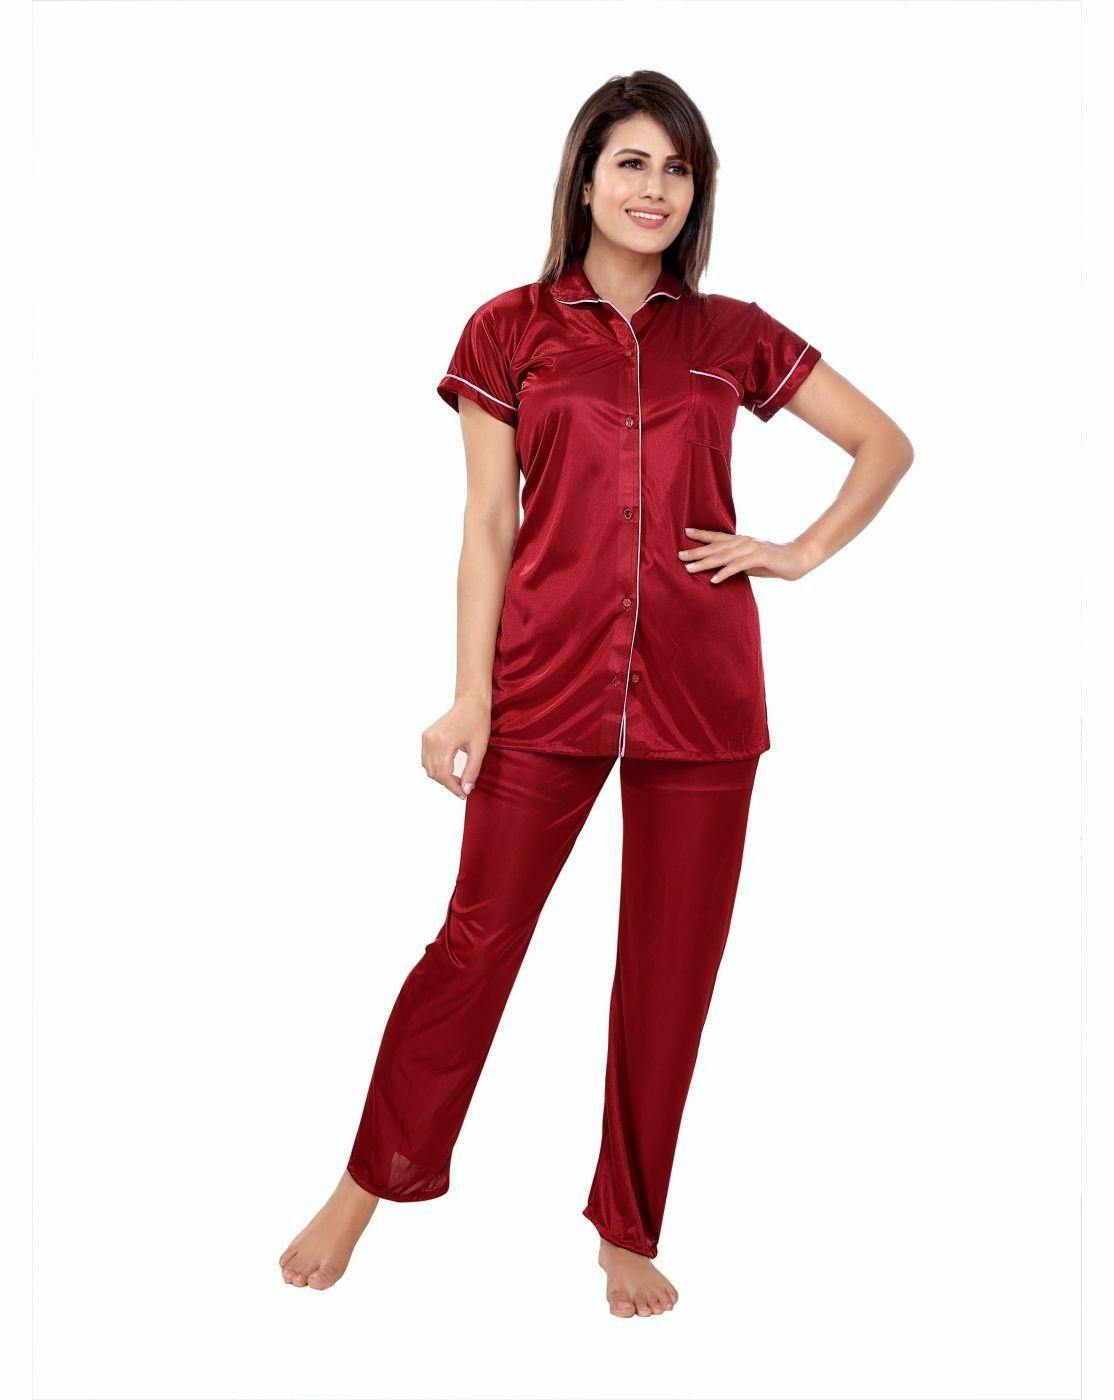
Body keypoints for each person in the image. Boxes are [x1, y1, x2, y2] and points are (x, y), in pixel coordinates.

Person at [279, 69, 914, 1318]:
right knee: (474, 942)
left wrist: (796, 550)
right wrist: (468, 694)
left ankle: (627, 1224)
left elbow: (882, 442)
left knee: (669, 968)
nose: (654, 188)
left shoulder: (731, 333)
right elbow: (487, 521)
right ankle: (366, 1182)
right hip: (542, 683)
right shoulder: (507, 329)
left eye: (677, 169)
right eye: (632, 162)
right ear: (583, 178)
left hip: (703, 695)